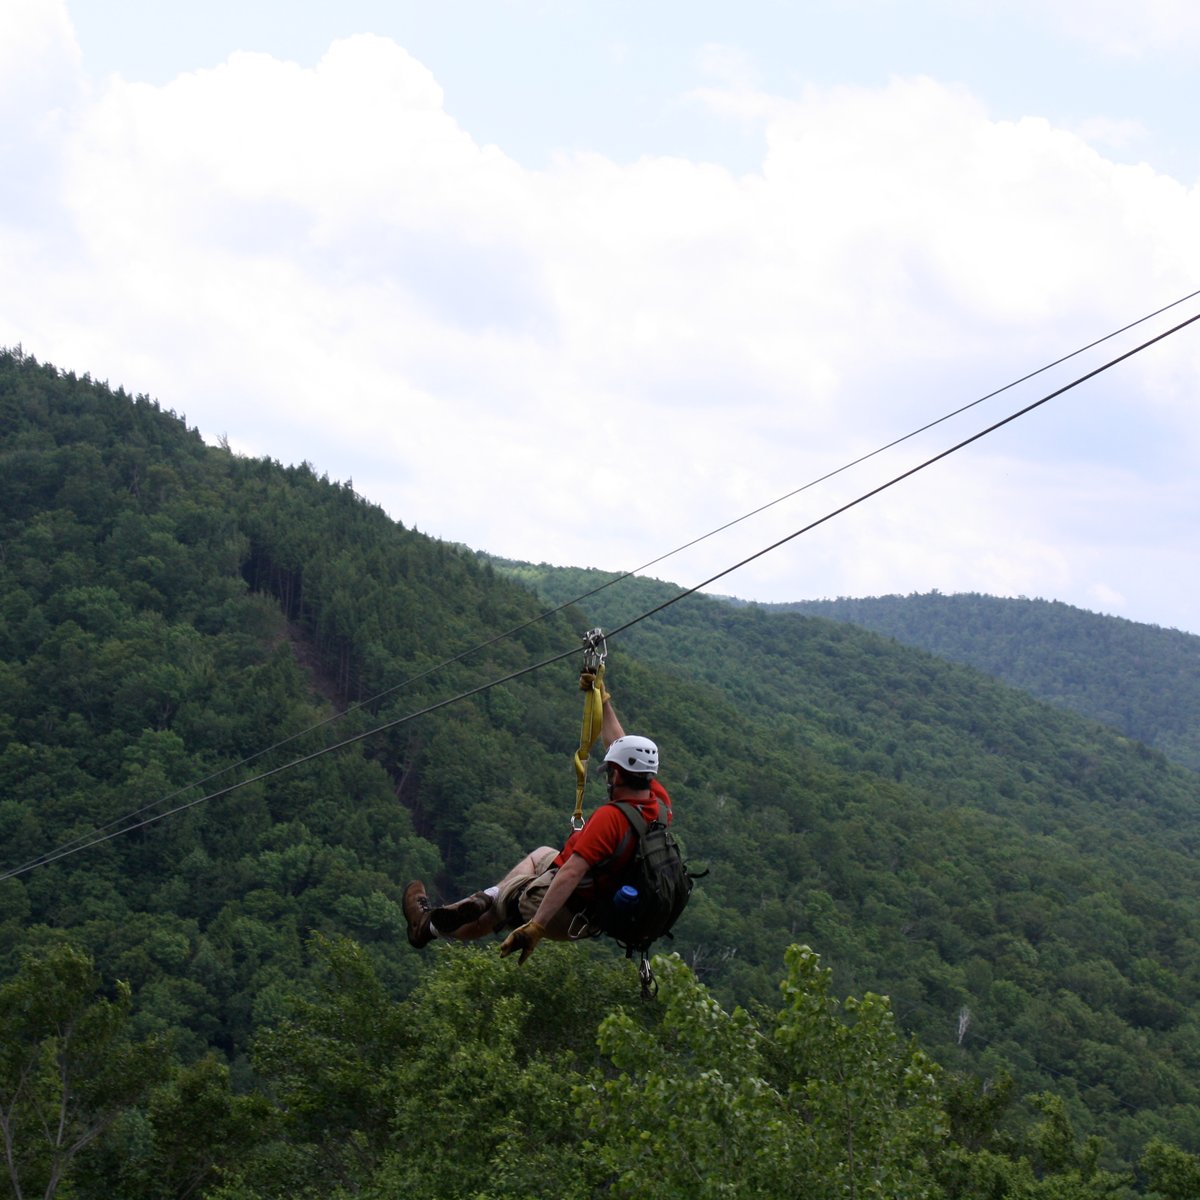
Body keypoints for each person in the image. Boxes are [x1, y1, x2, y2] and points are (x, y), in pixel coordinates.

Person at [402, 683, 672, 965]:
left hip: (567, 906)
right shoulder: (659, 805)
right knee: (542, 854)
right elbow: (618, 744)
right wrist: (601, 700)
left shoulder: (611, 819)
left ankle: (427, 927)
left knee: (494, 913)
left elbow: (570, 873)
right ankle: (486, 896)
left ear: (617, 775)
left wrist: (536, 928)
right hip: (595, 900)